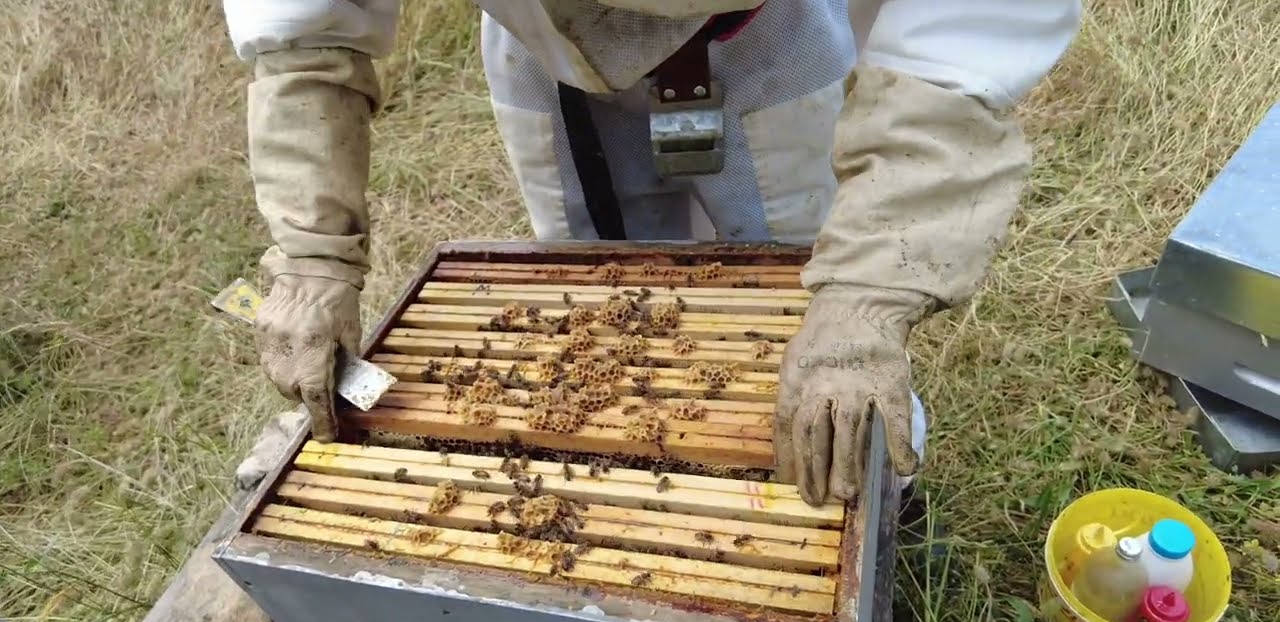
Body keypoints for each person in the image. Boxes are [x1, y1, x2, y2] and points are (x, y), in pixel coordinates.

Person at [221, 0, 1082, 507]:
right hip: (541, 56)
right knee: (596, 320)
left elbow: (962, 43)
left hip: (758, 42)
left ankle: (874, 509)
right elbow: (306, 34)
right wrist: (312, 254)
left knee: (808, 319)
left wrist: (865, 304)